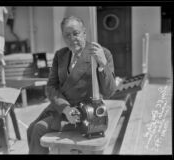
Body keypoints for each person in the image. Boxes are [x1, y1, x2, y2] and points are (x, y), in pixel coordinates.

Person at [27, 16, 117, 154]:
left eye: (76, 33)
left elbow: (109, 91)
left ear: (84, 33)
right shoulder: (60, 55)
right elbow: (51, 87)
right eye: (67, 35)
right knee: (31, 129)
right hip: (63, 110)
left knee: (38, 129)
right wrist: (66, 109)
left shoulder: (101, 53)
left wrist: (102, 64)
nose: (72, 39)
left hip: (85, 115)